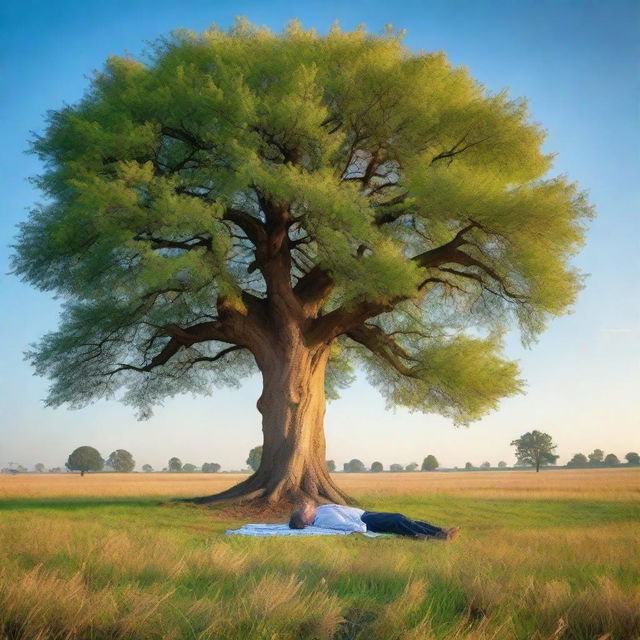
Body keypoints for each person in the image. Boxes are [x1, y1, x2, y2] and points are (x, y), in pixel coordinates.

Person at [288, 501, 460, 541]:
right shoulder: (323, 518)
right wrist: (364, 529)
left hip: (366, 514)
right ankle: (436, 536)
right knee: (399, 520)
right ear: (306, 518)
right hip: (365, 520)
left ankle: (441, 530)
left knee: (402, 519)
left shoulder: (320, 510)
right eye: (305, 510)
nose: (307, 507)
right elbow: (344, 524)